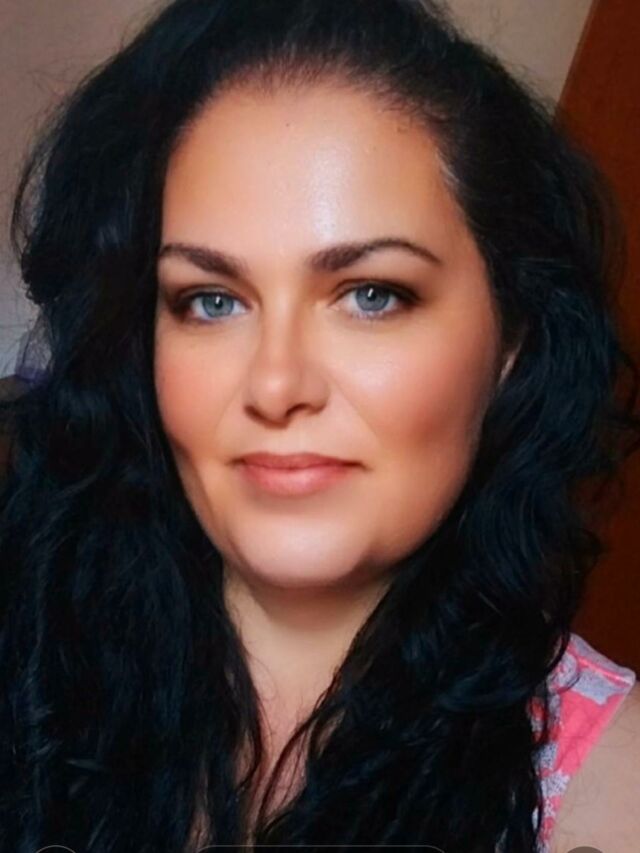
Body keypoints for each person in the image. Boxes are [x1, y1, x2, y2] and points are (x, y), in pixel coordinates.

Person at [0, 0, 639, 850]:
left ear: (510, 343)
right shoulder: (31, 634)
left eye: (372, 295)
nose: (276, 385)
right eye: (211, 300)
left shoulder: (607, 791)